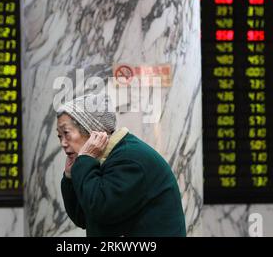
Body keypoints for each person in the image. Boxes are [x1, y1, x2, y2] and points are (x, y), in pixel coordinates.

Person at [56, 94, 186, 237]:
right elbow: (84, 218)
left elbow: (100, 210)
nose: (63, 143)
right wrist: (69, 177)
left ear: (93, 132)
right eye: (59, 136)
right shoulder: (103, 159)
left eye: (66, 133)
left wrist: (85, 161)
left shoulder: (130, 159)